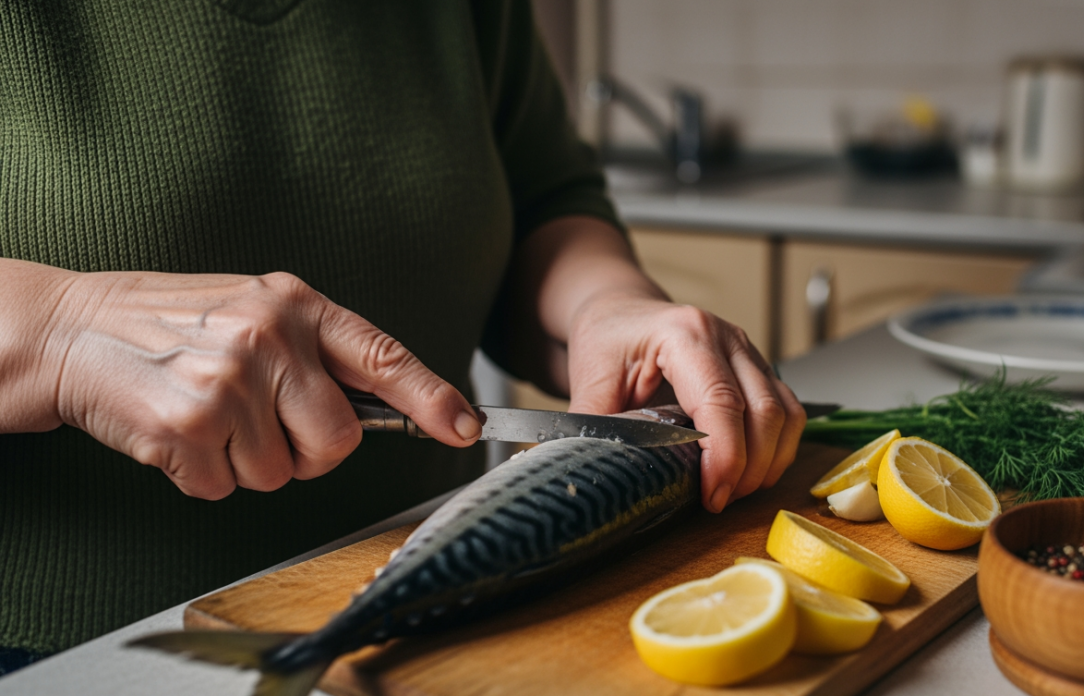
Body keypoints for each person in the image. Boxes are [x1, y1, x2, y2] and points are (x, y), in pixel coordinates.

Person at [0, 0, 805, 673]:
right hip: (61, 659)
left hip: (439, 630)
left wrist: (609, 304)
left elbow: (544, 202)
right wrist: (59, 334)